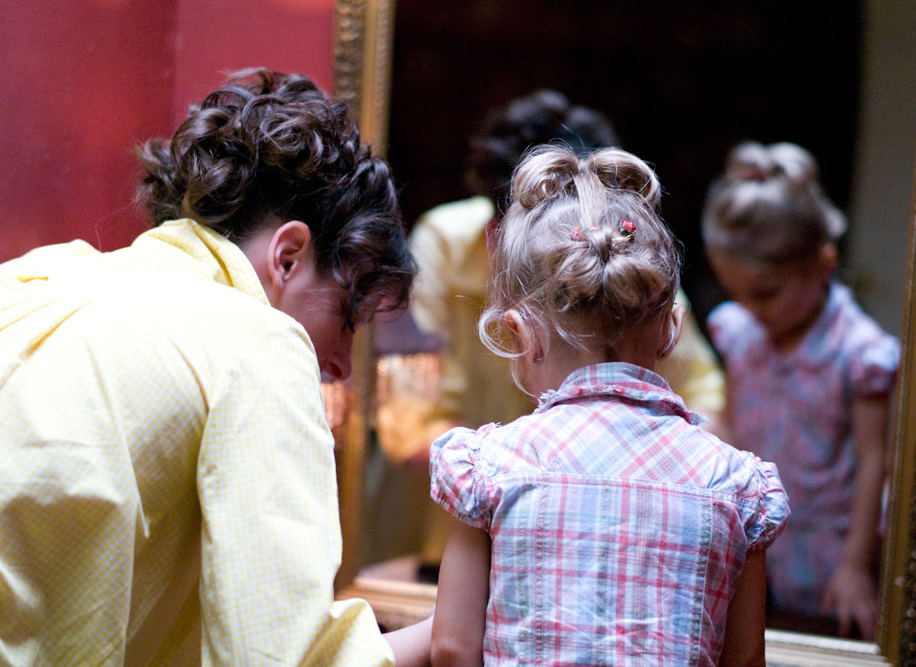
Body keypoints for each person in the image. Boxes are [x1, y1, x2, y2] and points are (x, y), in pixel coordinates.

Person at [0, 68, 431, 666]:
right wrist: (450, 629)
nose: (339, 364)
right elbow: (277, 657)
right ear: (287, 256)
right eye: (347, 319)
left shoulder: (37, 275)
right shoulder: (259, 343)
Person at [429, 144, 789, 667]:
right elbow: (744, 662)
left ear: (522, 335)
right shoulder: (732, 484)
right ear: (671, 331)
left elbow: (452, 648)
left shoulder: (488, 468)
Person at [372, 90, 727, 577]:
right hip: (443, 540)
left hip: (596, 542)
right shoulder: (442, 242)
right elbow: (407, 420)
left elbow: (707, 402)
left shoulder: (621, 254)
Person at [701, 141, 899, 639]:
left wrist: (856, 565)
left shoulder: (860, 352)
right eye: (736, 293)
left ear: (823, 262)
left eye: (766, 293)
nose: (750, 308)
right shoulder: (739, 332)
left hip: (833, 553)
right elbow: (731, 419)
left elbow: (878, 462)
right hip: (757, 544)